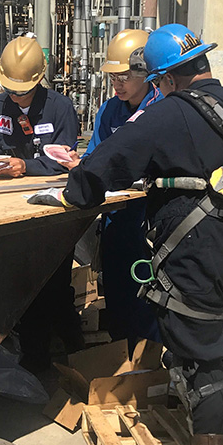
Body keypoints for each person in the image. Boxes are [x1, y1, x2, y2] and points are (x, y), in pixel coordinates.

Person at [29, 23, 223, 445]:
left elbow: (102, 168)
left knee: (199, 361)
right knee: (201, 344)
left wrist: (71, 192)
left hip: (197, 254)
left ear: (164, 79)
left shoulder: (171, 114)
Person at [0, 35, 83, 370]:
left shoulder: (60, 107)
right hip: (8, 210)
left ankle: (68, 349)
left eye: (23, 90)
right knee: (18, 281)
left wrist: (28, 167)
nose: (16, 96)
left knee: (55, 282)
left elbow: (65, 160)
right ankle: (27, 353)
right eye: (11, 89)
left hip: (52, 210)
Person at [84, 29, 163, 353]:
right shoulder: (109, 111)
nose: (118, 83)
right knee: (116, 291)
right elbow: (95, 154)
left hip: (149, 224)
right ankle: (118, 358)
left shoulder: (161, 110)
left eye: (125, 76)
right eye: (114, 76)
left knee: (147, 296)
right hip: (115, 219)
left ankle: (148, 366)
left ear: (147, 74)